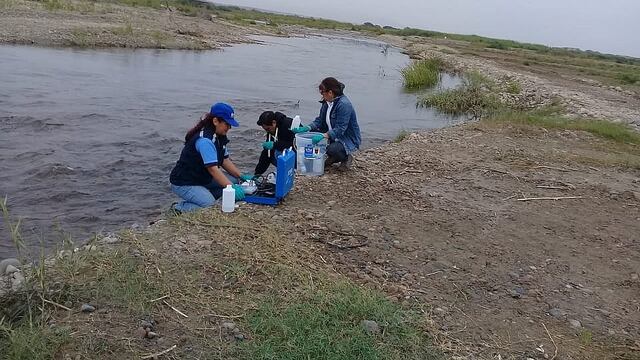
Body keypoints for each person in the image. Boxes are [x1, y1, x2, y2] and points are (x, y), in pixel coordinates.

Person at [169, 102, 253, 213]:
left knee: (235, 181)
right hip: (185, 182)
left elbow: (225, 160)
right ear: (215, 121)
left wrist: (241, 176)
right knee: (210, 207)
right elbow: (213, 169)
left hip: (202, 177)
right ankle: (178, 208)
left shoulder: (219, 137)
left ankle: (205, 194)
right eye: (227, 124)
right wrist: (231, 188)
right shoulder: (205, 141)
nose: (229, 128)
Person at [293, 77, 361, 170]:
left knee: (332, 149)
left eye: (322, 93)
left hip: (345, 138)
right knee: (311, 137)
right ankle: (331, 157)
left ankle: (345, 157)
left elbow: (340, 129)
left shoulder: (344, 105)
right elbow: (320, 121)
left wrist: (324, 135)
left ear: (330, 92)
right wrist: (307, 128)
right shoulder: (327, 103)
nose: (321, 95)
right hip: (331, 133)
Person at [253, 111, 297, 176]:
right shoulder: (271, 133)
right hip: (286, 154)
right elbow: (266, 154)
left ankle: (293, 171)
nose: (267, 131)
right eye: (265, 129)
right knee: (269, 154)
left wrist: (275, 145)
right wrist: (257, 173)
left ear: (274, 123)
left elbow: (293, 145)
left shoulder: (289, 124)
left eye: (268, 129)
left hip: (298, 154)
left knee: (277, 152)